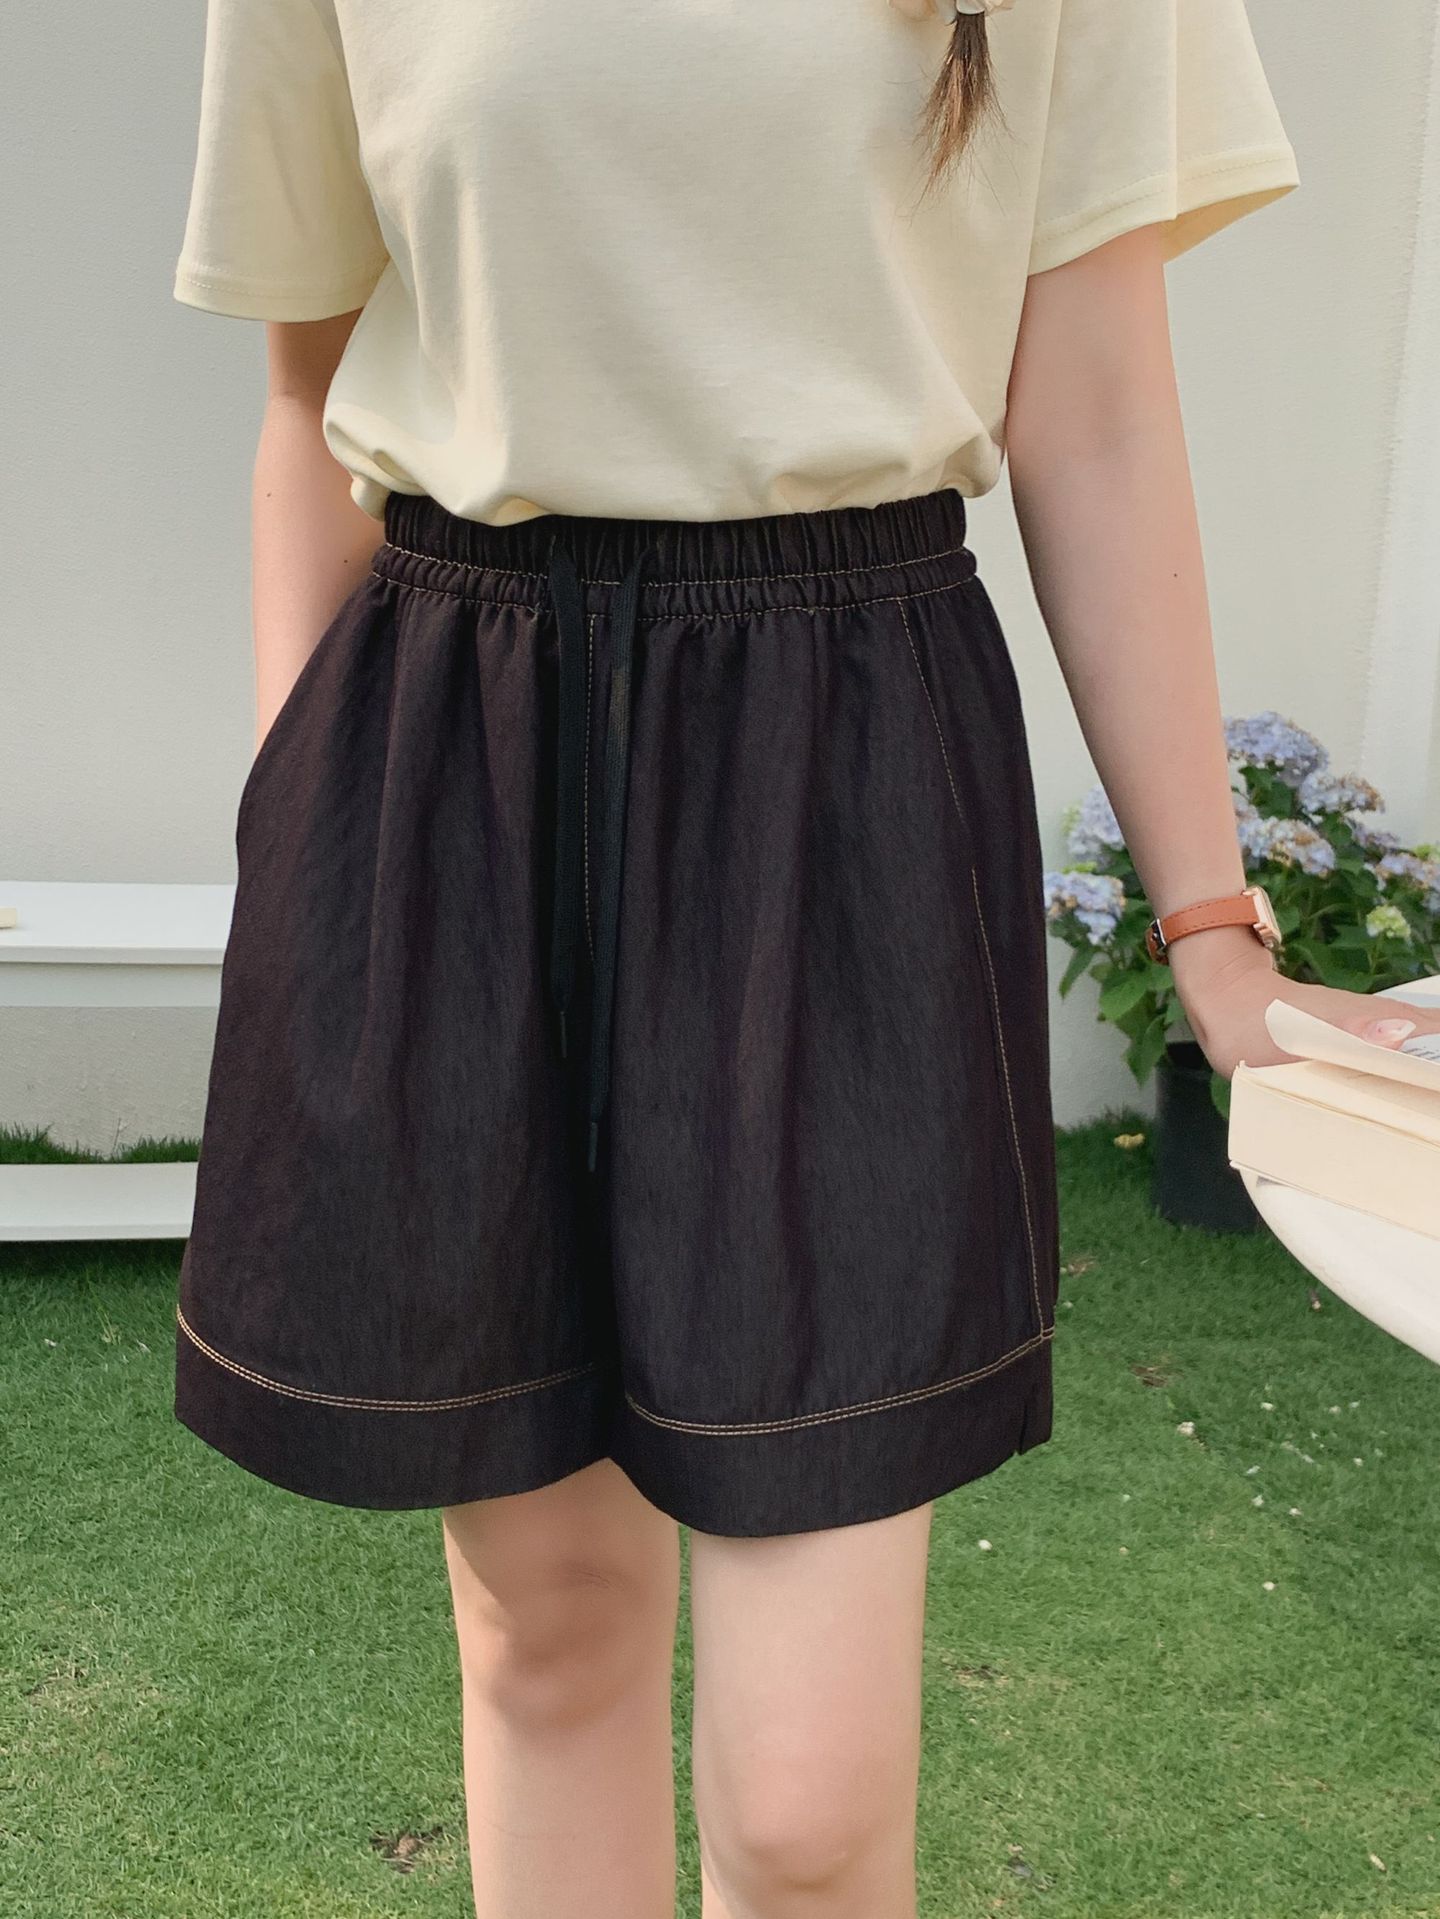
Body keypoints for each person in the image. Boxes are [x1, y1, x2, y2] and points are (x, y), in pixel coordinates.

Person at [168, 3, 1440, 1914]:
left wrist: (1214, 933)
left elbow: (1094, 407)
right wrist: (312, 846)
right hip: (459, 741)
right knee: (546, 1634)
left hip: (843, 758)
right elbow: (306, 389)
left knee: (807, 1804)